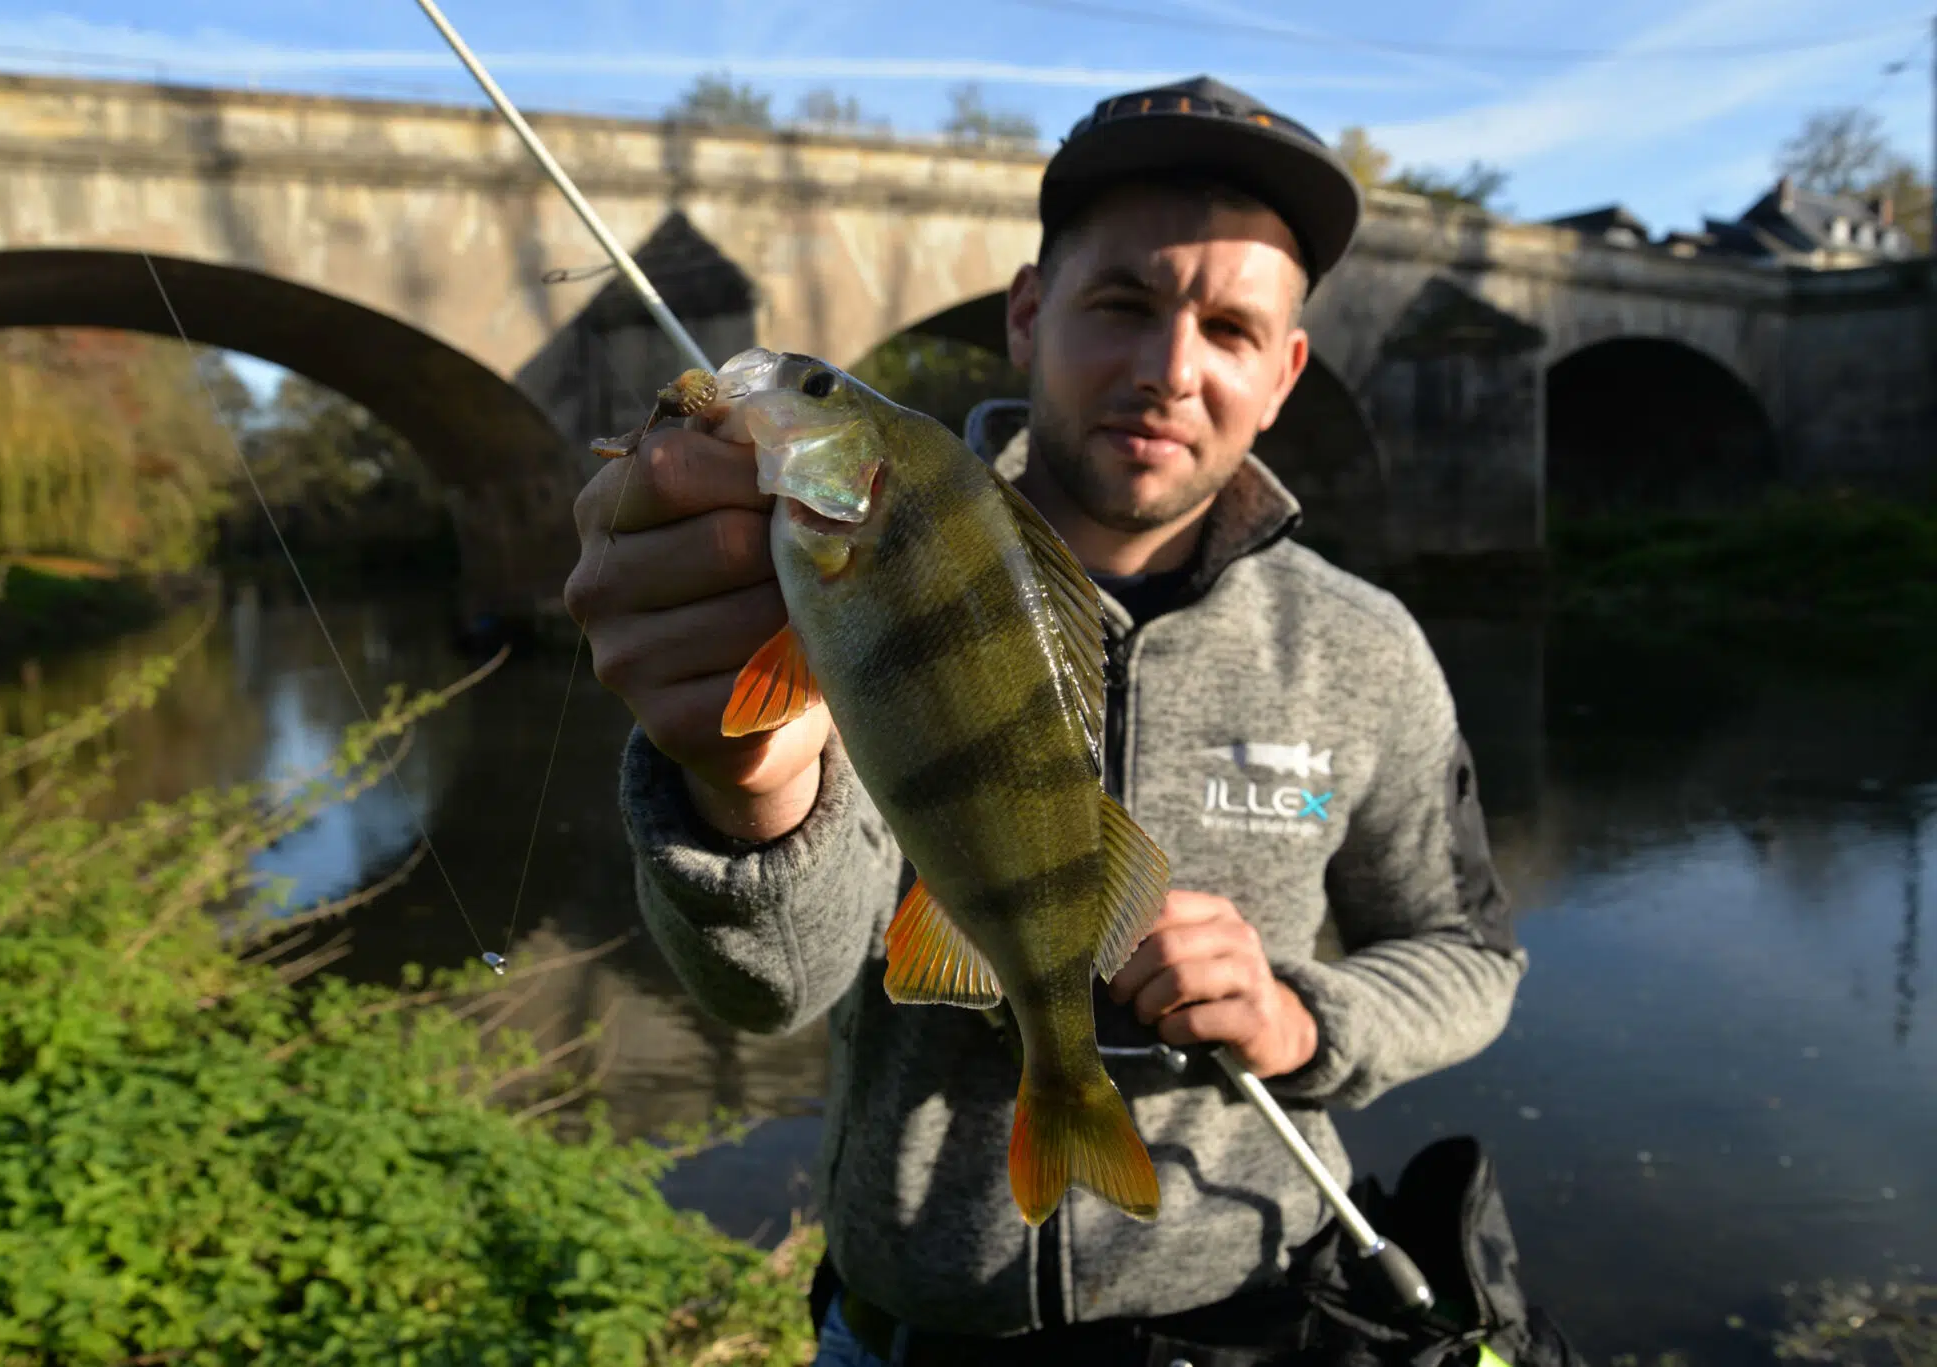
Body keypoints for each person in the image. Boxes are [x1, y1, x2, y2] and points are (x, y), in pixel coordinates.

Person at [564, 75, 1529, 1367]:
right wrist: (740, 790)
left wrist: (1305, 1021)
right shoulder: (841, 579)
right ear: (1029, 314)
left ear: (1286, 370)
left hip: (1260, 1316)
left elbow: (1468, 956)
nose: (1169, 370)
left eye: (1233, 329)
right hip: (912, 1329)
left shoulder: (1366, 647)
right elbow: (772, 994)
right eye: (1122, 303)